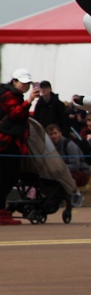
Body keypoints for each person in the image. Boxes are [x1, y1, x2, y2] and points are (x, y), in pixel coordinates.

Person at [0, 69, 37, 225]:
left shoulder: (14, 95)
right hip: (5, 143)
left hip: (12, 142)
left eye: (27, 84)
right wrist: (28, 102)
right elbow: (15, 113)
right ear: (14, 81)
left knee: (12, 175)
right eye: (23, 83)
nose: (25, 86)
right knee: (7, 176)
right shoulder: (8, 95)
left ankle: (2, 209)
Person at [45, 123, 90, 192]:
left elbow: (75, 166)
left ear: (60, 133)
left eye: (55, 133)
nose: (53, 136)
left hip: (80, 172)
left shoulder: (69, 145)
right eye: (50, 134)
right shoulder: (48, 148)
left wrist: (59, 168)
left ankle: (75, 195)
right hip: (60, 172)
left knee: (62, 177)